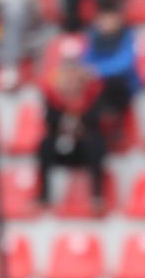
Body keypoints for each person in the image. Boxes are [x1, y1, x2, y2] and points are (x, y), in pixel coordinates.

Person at [36, 52, 106, 211]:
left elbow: (96, 118)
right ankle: (43, 195)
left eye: (74, 72)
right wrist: (64, 122)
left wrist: (78, 123)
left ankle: (97, 195)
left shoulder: (92, 93)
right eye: (67, 72)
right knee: (45, 145)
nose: (70, 77)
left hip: (84, 145)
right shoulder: (52, 95)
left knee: (95, 143)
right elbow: (49, 121)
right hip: (61, 143)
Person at [80, 5, 140, 137]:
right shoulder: (93, 37)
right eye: (103, 19)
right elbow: (85, 60)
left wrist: (97, 70)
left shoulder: (127, 37)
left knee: (113, 82)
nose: (107, 23)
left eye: (110, 19)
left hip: (123, 86)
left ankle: (113, 122)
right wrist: (88, 72)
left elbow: (125, 64)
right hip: (98, 83)